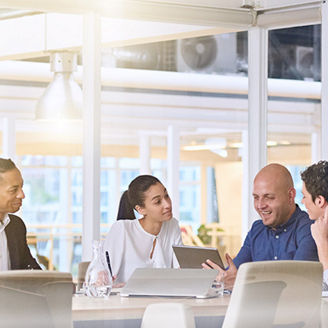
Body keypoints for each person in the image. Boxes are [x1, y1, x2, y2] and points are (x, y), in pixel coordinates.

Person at [203, 163, 318, 289]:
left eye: (268, 197)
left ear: (290, 196)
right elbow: (234, 273)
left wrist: (241, 282)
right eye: (256, 198)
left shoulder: (310, 228)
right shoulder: (256, 230)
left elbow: (296, 282)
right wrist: (221, 276)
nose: (260, 205)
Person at [102, 175, 182, 284]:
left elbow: (180, 271)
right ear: (140, 209)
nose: (167, 204)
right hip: (125, 299)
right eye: (158, 202)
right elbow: (103, 275)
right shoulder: (122, 229)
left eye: (166, 196)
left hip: (162, 299)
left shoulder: (172, 225)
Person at [0, 158, 41, 270]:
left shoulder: (16, 226)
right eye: (13, 190)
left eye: (21, 187)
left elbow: (33, 271)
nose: (22, 195)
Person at [301, 160, 328, 289]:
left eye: (304, 196)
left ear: (319, 200)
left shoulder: (320, 235)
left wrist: (322, 241)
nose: (302, 202)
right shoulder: (318, 228)